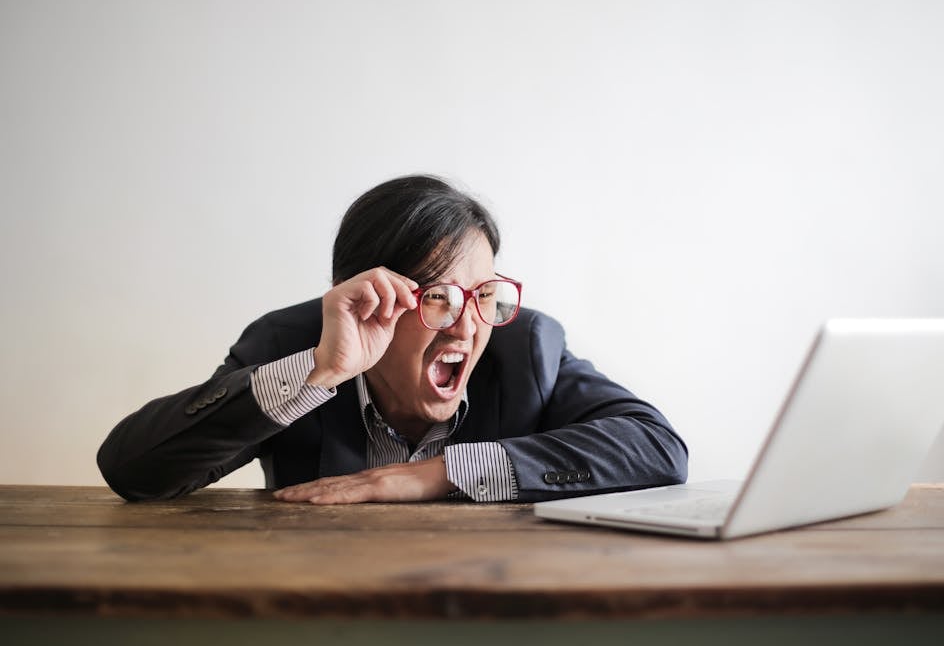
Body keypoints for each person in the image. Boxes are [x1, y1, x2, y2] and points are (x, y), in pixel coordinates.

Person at [97, 175, 688, 503]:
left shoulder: (526, 345)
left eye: (484, 294)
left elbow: (657, 448)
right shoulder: (290, 342)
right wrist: (319, 374)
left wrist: (435, 474)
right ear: (363, 296)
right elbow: (132, 470)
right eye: (437, 296)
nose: (466, 325)